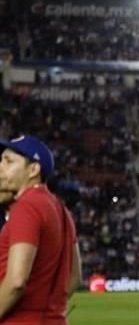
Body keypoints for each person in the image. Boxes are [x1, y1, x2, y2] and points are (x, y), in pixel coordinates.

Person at [0, 135, 81, 324]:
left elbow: (16, 282)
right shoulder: (62, 211)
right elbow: (75, 277)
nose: (0, 167)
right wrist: (47, 307)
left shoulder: (26, 207)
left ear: (33, 169)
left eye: (8, 161)